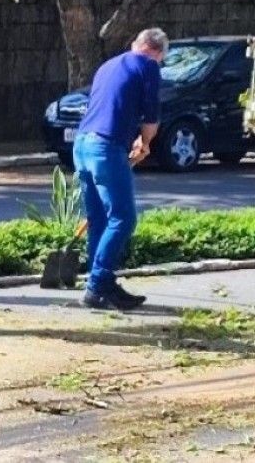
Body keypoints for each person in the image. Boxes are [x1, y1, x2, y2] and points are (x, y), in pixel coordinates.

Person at [74, 27, 166, 310]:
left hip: (82, 146)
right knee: (123, 219)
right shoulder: (149, 67)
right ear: (158, 52)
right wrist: (146, 142)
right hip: (106, 148)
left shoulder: (108, 65)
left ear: (135, 43)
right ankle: (98, 284)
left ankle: (101, 282)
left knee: (99, 219)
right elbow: (151, 117)